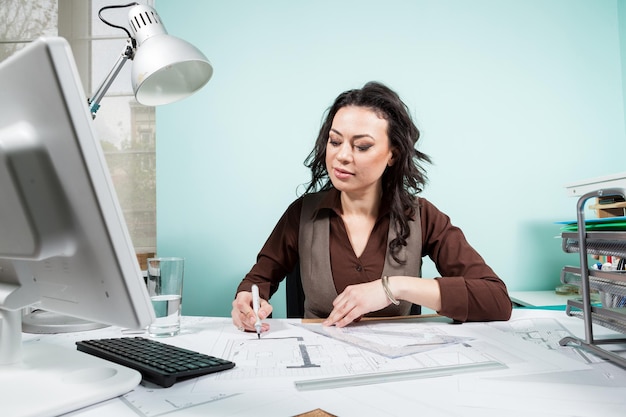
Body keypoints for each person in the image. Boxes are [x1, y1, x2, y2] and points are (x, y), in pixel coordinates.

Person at [232, 81, 512, 333]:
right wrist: (247, 302)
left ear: (393, 154)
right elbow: (257, 283)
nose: (341, 156)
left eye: (362, 146)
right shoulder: (301, 214)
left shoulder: (422, 216)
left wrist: (393, 286)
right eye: (335, 141)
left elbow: (496, 299)